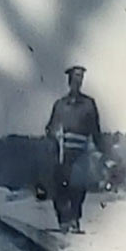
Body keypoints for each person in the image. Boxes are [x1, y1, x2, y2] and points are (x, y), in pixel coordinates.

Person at [45, 65, 103, 233]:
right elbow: (50, 128)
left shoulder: (89, 104)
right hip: (62, 152)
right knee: (60, 187)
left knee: (78, 187)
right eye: (75, 78)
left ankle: (75, 220)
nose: (78, 82)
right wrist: (54, 135)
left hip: (81, 152)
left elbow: (95, 130)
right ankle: (63, 221)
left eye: (81, 78)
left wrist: (101, 152)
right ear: (69, 80)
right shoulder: (60, 105)